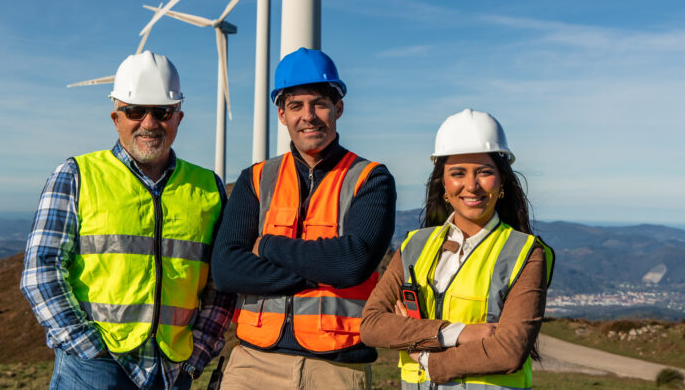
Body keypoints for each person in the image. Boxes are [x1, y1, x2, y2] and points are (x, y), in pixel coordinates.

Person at [20, 50, 235, 390]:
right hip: (93, 371)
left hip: (172, 372)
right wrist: (89, 350)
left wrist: (198, 357)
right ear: (115, 117)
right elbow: (39, 273)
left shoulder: (209, 187)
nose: (149, 123)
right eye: (135, 111)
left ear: (179, 117)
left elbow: (222, 284)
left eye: (162, 112)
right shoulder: (76, 175)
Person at [211, 48, 397, 390]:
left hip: (336, 368)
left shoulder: (370, 178)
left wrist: (265, 245)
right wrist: (322, 268)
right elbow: (225, 270)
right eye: (296, 106)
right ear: (281, 115)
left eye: (319, 104)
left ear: (338, 108)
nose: (308, 116)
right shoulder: (255, 179)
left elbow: (352, 264)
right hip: (253, 364)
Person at [360, 108, 554, 390]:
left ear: (501, 183)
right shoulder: (414, 245)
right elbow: (372, 325)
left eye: (485, 172)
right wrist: (456, 333)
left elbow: (509, 350)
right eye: (458, 173)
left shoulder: (525, 252)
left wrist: (426, 358)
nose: (471, 186)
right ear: (444, 185)